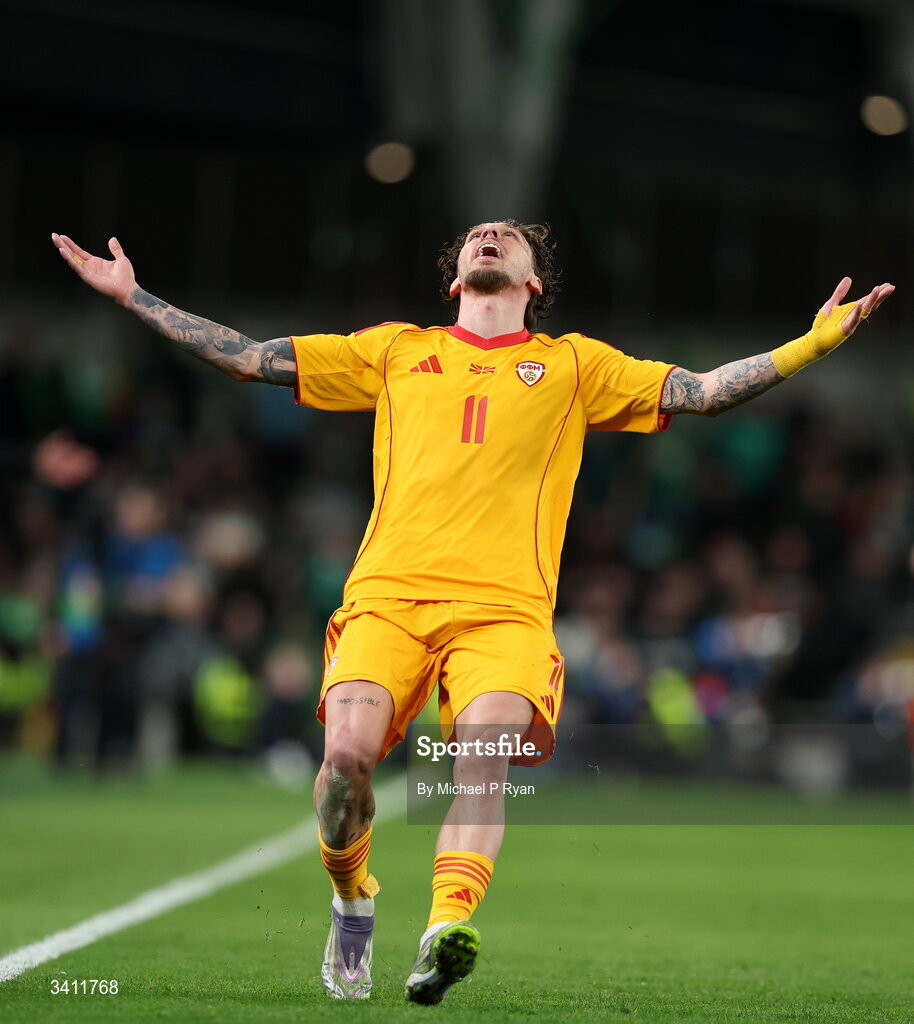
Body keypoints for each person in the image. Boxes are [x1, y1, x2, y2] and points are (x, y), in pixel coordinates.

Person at [51, 223, 894, 1004]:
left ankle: (444, 927)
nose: (490, 236)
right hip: (386, 601)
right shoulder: (394, 351)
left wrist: (811, 344)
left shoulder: (575, 366)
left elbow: (705, 391)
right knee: (344, 764)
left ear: (534, 280)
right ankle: (353, 903)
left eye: (510, 236)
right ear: (455, 279)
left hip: (504, 619)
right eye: (476, 235)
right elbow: (250, 358)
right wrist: (134, 298)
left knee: (478, 761)